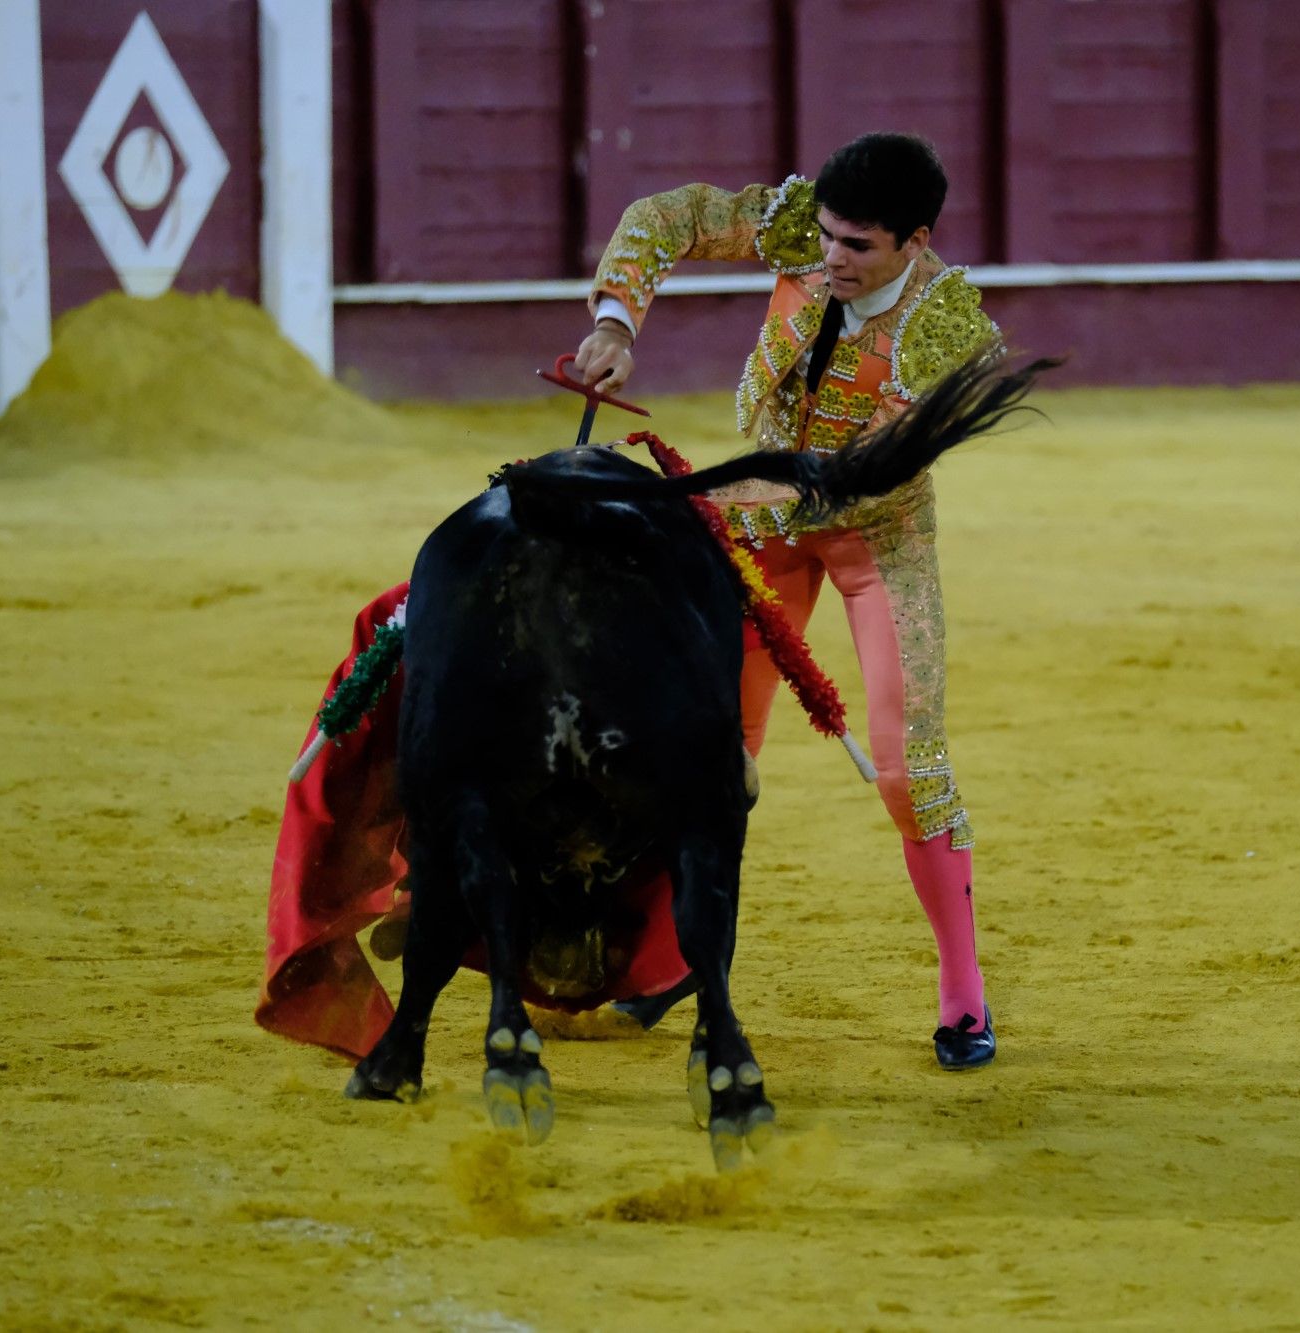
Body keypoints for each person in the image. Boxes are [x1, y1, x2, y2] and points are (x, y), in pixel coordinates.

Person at [257, 132, 1001, 1071]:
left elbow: (855, 477)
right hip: (745, 538)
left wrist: (675, 505)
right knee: (697, 755)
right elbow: (667, 219)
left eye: (857, 248)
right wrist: (616, 322)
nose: (829, 258)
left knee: (906, 771)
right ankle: (657, 966)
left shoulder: (947, 330)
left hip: (874, 543)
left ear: (915, 240)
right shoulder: (797, 228)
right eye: (825, 238)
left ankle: (964, 998)